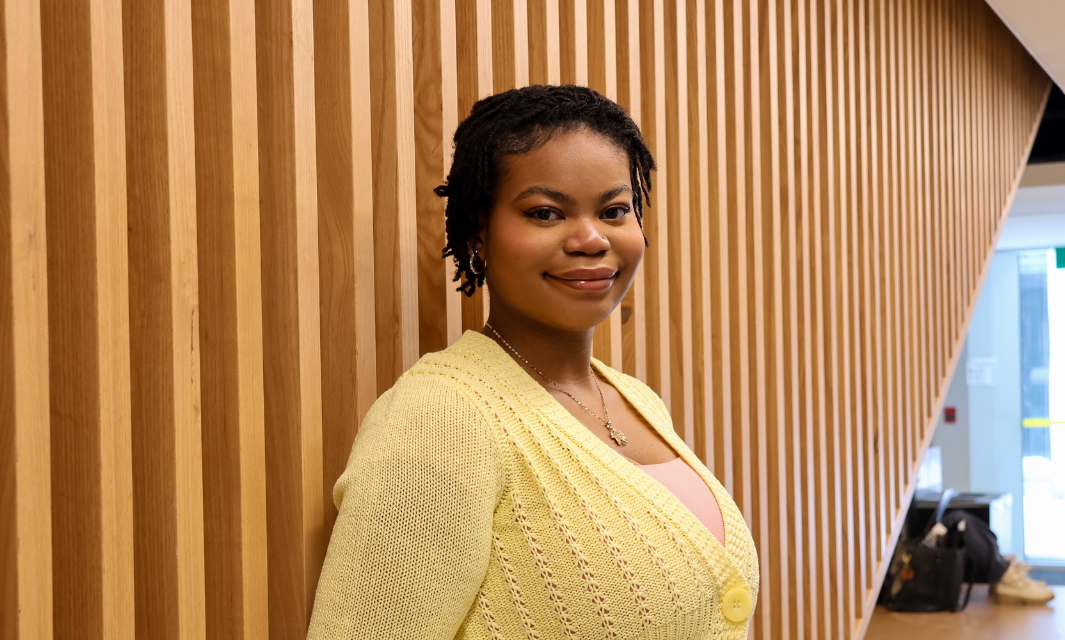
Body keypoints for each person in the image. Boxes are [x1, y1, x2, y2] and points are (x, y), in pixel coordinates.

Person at [305, 85, 761, 640]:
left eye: (615, 210)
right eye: (546, 213)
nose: (591, 238)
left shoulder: (633, 398)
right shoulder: (439, 420)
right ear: (479, 234)